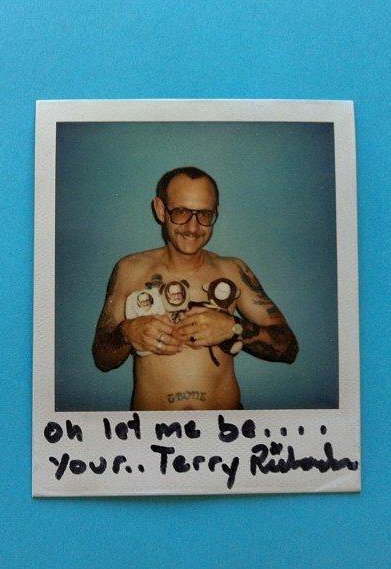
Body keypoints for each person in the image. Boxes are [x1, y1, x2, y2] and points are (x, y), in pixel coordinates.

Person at [92, 167, 298, 411]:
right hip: (153, 428)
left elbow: (288, 348)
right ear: (160, 209)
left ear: (215, 213)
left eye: (204, 214)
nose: (193, 227)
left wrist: (234, 328)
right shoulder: (130, 269)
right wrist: (126, 332)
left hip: (225, 427)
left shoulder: (233, 270)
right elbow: (102, 359)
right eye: (181, 212)